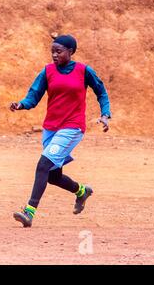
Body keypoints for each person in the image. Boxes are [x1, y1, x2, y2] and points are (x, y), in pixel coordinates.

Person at [9, 34, 111, 228]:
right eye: (52, 51)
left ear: (71, 52)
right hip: (51, 128)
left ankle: (29, 212)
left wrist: (105, 114)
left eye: (59, 51)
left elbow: (101, 91)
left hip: (72, 127)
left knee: (42, 166)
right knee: (53, 176)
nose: (54, 55)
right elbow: (34, 95)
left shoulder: (83, 71)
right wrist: (21, 104)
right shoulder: (48, 71)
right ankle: (81, 191)